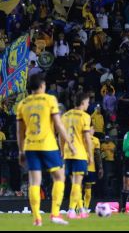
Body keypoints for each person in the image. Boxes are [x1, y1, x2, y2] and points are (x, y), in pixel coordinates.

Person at [17, 73, 76, 226]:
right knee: (59, 177)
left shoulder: (23, 104)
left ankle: (37, 218)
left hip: (30, 146)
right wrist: (69, 143)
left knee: (34, 182)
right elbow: (58, 124)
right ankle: (55, 214)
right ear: (42, 86)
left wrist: (21, 151)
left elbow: (19, 131)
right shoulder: (49, 99)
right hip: (47, 145)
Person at [61, 92, 93, 220]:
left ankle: (80, 210)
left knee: (75, 184)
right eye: (88, 103)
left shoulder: (65, 116)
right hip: (79, 153)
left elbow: (61, 136)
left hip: (67, 153)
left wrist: (62, 151)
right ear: (83, 102)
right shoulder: (85, 116)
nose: (88, 105)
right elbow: (87, 138)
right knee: (77, 183)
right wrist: (90, 154)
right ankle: (71, 210)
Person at [82, 130, 102, 213]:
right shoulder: (79, 137)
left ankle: (85, 208)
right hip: (80, 165)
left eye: (93, 129)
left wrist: (100, 167)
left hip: (91, 167)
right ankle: (77, 207)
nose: (92, 130)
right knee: (77, 187)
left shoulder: (95, 140)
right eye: (91, 128)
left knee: (88, 188)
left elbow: (97, 154)